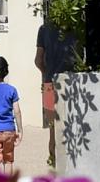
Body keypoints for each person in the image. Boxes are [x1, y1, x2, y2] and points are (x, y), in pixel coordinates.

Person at [35, 22, 79, 168]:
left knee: (53, 130)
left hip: (49, 85)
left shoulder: (44, 29)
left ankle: (54, 166)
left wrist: (46, 74)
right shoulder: (76, 25)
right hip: (72, 82)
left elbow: (38, 60)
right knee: (73, 126)